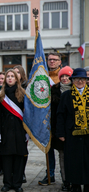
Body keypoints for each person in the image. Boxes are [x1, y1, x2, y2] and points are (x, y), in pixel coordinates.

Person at [56, 68, 89, 192]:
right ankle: (75, 187)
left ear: (86, 81)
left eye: (82, 79)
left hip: (87, 134)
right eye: (76, 79)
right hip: (72, 133)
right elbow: (60, 115)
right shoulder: (66, 95)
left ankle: (87, 187)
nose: (79, 81)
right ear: (72, 81)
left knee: (87, 161)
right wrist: (61, 133)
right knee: (73, 161)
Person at [0, 69, 28, 192]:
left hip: (20, 130)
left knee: (19, 157)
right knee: (6, 158)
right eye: (8, 76)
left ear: (17, 79)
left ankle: (17, 183)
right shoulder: (0, 95)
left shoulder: (23, 93)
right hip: (5, 130)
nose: (9, 78)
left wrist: (27, 131)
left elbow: (27, 114)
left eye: (12, 76)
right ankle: (7, 183)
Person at [48, 66, 73, 192]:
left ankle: (75, 181)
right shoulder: (54, 91)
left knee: (73, 157)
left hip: (74, 130)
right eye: (62, 76)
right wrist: (55, 130)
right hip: (60, 128)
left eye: (67, 76)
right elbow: (52, 114)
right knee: (62, 156)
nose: (64, 78)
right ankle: (66, 181)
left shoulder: (77, 90)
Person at [39, 52, 62, 185]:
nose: (52, 62)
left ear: (60, 61)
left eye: (54, 60)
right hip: (46, 118)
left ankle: (65, 176)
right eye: (49, 60)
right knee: (49, 149)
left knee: (63, 152)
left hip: (60, 118)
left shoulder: (64, 77)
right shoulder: (43, 76)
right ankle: (50, 173)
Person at [13, 65, 28, 183]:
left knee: (23, 149)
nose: (16, 74)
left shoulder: (27, 87)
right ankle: (14, 171)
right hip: (13, 124)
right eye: (14, 72)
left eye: (18, 72)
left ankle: (22, 172)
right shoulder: (11, 88)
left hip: (24, 122)